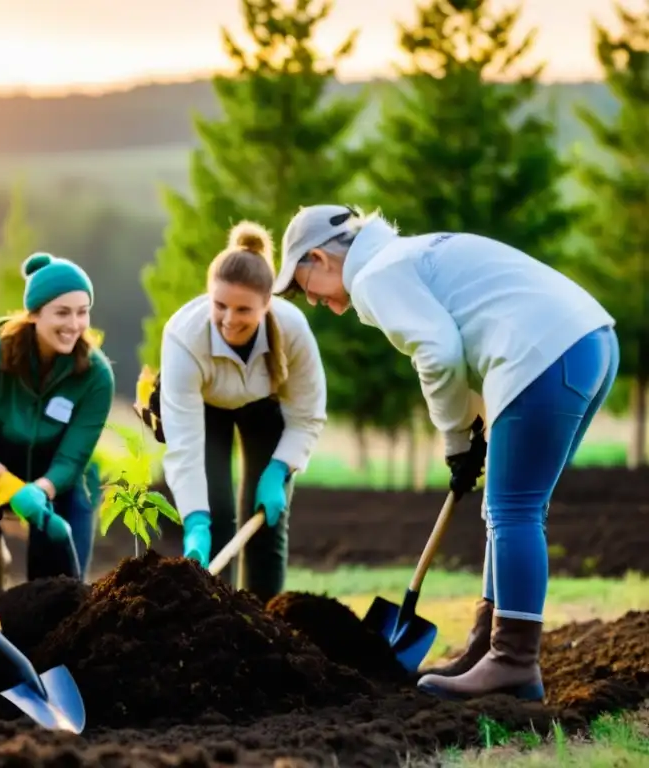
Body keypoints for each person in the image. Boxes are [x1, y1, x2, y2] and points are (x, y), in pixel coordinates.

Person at [274, 204, 618, 702]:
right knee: (513, 507)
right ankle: (487, 645)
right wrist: (477, 424)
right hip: (589, 343)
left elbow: (437, 351)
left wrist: (456, 439)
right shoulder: (411, 253)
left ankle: (514, 663)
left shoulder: (375, 276)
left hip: (545, 353)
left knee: (513, 509)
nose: (307, 298)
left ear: (321, 258)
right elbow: (474, 329)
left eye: (301, 282)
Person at [150, 221, 327, 604]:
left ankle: (263, 619)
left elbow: (307, 416)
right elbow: (184, 444)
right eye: (219, 305)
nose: (230, 319)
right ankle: (216, 617)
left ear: (267, 305)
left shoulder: (293, 330)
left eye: (244, 309)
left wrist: (279, 469)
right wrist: (195, 520)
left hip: (266, 407)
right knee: (215, 514)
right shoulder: (183, 336)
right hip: (206, 411)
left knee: (265, 521)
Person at [0, 252, 113, 599]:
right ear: (35, 313)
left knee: (57, 589)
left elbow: (72, 459)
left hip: (58, 476)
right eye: (62, 312)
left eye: (82, 312)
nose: (74, 324)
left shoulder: (96, 375)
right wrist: (11, 487)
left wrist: (41, 490)